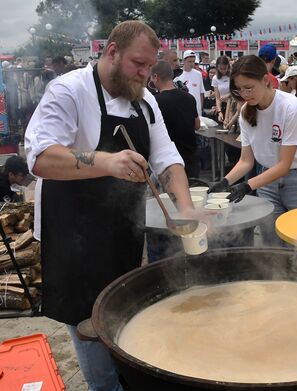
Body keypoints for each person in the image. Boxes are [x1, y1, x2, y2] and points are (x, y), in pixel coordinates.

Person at [24, 21, 196, 391]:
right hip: (74, 232)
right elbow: (39, 158)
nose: (145, 74)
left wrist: (186, 208)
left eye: (151, 67)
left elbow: (169, 160)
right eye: (138, 63)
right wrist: (107, 162)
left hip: (121, 229)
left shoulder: (145, 101)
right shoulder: (68, 90)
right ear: (112, 51)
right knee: (85, 320)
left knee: (122, 310)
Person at [209, 55, 297, 244]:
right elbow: (246, 161)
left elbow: (284, 165)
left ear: (266, 80)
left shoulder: (290, 107)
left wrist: (247, 185)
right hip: (267, 181)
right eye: (239, 89)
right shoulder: (246, 112)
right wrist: (225, 181)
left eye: (249, 88)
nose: (245, 94)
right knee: (271, 241)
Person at [151, 60, 200, 178]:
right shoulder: (189, 98)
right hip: (190, 157)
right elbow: (197, 125)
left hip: (168, 160)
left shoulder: (154, 102)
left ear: (156, 77)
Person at [174, 50, 205, 116]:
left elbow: (201, 93)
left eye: (193, 61)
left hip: (197, 109)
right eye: (189, 61)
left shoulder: (198, 74)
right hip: (182, 109)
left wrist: (201, 107)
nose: (192, 64)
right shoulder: (177, 74)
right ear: (184, 61)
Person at [212, 56, 231, 124]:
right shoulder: (215, 78)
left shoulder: (232, 76)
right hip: (221, 105)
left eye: (225, 68)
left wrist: (228, 95)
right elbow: (217, 97)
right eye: (221, 68)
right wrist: (219, 112)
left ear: (228, 66)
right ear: (217, 67)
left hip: (231, 105)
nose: (223, 71)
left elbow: (236, 91)